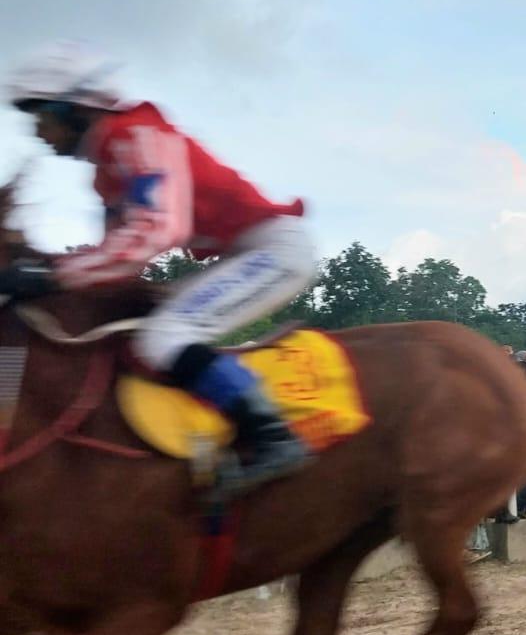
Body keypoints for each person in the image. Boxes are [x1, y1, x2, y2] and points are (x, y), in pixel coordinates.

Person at [1, 42, 315, 494]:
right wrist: (46, 273)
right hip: (239, 256)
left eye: (41, 117)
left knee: (164, 336)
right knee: (142, 327)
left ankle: (274, 437)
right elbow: (114, 258)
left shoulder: (137, 135)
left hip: (272, 250)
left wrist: (51, 276)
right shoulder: (108, 167)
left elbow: (156, 232)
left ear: (72, 109)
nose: (38, 132)